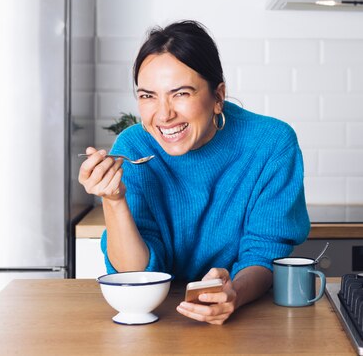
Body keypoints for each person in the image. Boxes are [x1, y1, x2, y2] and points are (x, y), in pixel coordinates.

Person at [78, 20, 310, 324]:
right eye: (148, 95)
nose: (163, 114)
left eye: (181, 93)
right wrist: (114, 199)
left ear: (217, 97)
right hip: (160, 316)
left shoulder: (271, 144)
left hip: (248, 313)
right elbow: (134, 273)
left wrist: (234, 294)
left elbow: (264, 254)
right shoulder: (133, 146)